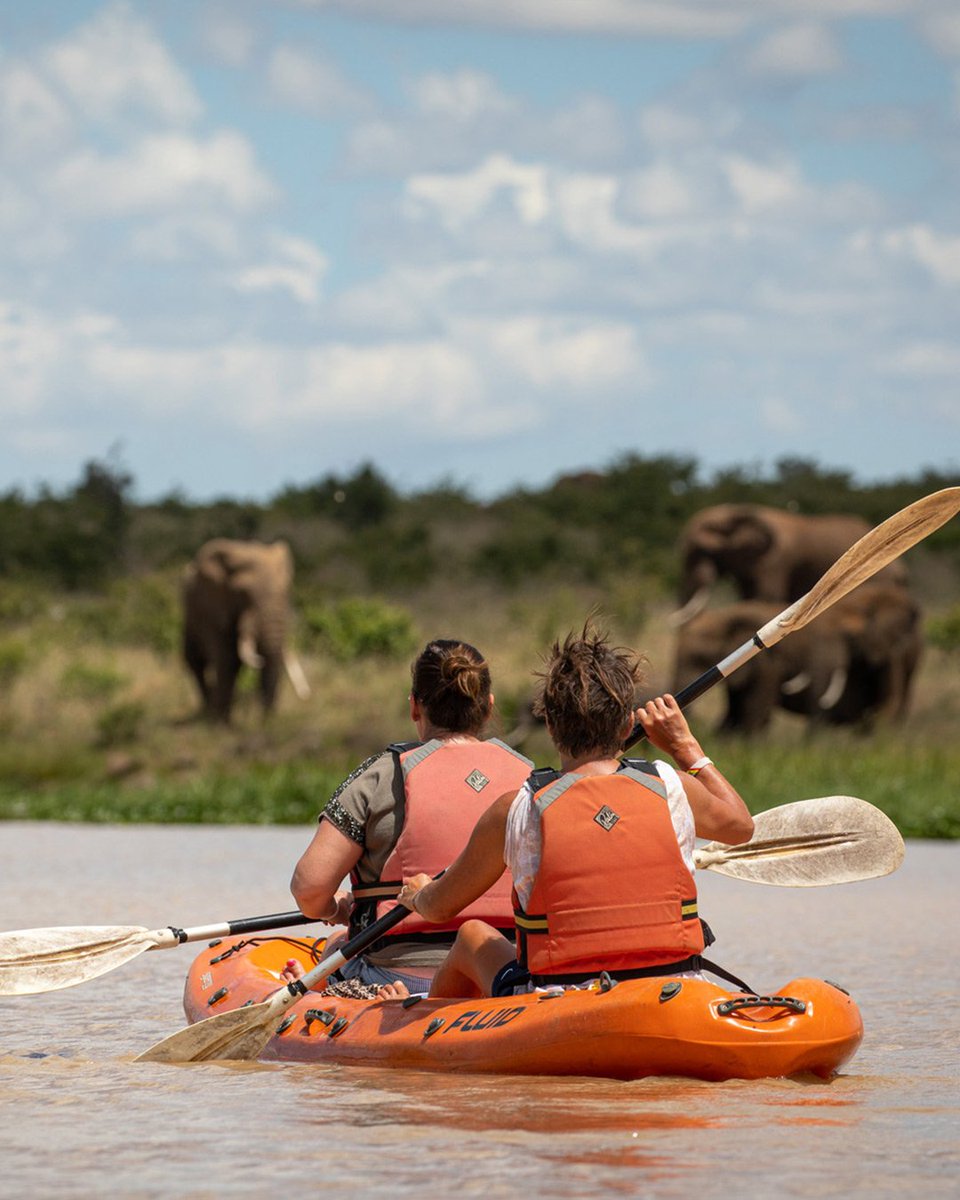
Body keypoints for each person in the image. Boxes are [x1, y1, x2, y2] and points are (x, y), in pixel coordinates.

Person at [391, 623, 755, 999]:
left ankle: (419, 1018)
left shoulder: (517, 807)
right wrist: (686, 747)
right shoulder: (670, 784)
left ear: (549, 724)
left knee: (473, 935)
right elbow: (741, 826)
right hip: (674, 988)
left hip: (558, 996)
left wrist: (418, 894)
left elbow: (438, 908)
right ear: (628, 723)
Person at [287, 638, 533, 994]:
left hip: (398, 974)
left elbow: (309, 888)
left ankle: (311, 985)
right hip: (502, 970)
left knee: (336, 947)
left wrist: (336, 910)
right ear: (488, 707)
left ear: (415, 707)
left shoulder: (380, 775)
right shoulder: (532, 779)